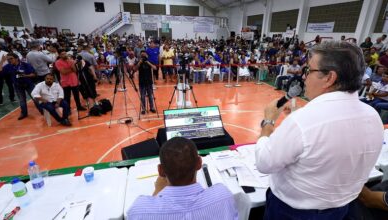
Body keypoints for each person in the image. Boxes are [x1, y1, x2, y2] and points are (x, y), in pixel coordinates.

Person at [255, 41, 383, 219]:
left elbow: (264, 162)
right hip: (341, 209)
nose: (304, 78)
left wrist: (268, 122)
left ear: (329, 78)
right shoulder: (373, 116)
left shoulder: (303, 121)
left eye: (309, 71)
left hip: (292, 213)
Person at [127, 137, 238, 220]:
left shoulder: (139, 211)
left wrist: (157, 193)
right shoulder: (223, 195)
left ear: (161, 171)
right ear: (199, 163)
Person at [1, 53, 41, 120]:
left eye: (11, 58)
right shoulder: (8, 66)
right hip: (18, 86)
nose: (9, 60)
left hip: (29, 84)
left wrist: (25, 75)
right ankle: (24, 113)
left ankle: (42, 110)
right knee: (22, 100)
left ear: (16, 58)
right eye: (8, 59)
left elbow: (33, 74)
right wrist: (2, 61)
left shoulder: (25, 65)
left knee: (35, 98)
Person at [54, 49, 86, 114]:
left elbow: (75, 70)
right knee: (67, 97)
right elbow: (63, 72)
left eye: (65, 53)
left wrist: (71, 66)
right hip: (65, 82)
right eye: (62, 54)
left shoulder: (70, 60)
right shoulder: (57, 62)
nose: (64, 55)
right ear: (59, 55)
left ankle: (79, 106)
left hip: (74, 80)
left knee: (76, 95)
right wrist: (71, 68)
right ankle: (68, 109)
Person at [135, 50, 156, 114]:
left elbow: (155, 68)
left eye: (144, 55)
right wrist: (140, 62)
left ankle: (152, 107)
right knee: (142, 96)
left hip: (149, 81)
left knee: (150, 95)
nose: (143, 56)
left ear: (147, 55)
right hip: (142, 82)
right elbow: (135, 69)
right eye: (142, 55)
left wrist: (148, 62)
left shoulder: (149, 61)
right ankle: (143, 109)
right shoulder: (138, 61)